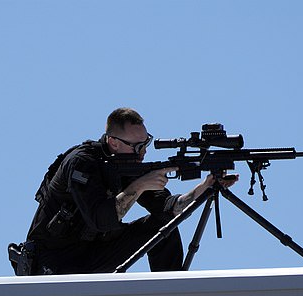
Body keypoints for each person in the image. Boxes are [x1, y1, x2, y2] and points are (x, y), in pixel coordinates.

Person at [23, 107, 236, 275]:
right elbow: (101, 220)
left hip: (93, 251)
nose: (142, 152)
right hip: (55, 262)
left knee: (164, 224)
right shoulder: (82, 163)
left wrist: (203, 188)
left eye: (146, 144)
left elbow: (167, 207)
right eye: (137, 146)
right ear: (114, 142)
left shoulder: (126, 163)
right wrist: (140, 185)